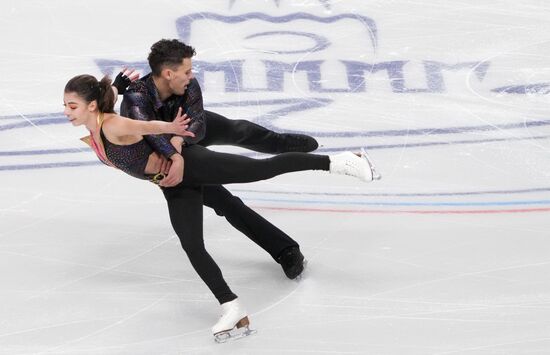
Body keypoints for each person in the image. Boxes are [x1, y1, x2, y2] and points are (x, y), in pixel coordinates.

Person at [64, 73, 379, 341]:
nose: (66, 111)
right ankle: (232, 306)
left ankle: (338, 162)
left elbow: (146, 127)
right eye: (66, 105)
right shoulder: (98, 122)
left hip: (188, 165)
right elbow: (108, 100)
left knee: (260, 170)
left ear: (91, 105)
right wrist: (116, 87)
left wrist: (171, 130)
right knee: (196, 239)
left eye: (72, 105)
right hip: (172, 182)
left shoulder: (112, 126)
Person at [119, 39, 319, 284]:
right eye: (187, 70)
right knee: (226, 203)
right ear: (169, 74)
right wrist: (174, 152)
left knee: (236, 130)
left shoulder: (188, 85)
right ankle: (286, 250)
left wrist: (180, 140)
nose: (191, 75)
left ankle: (281, 143)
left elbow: (199, 125)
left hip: (186, 133)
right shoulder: (136, 99)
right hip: (168, 157)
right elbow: (151, 137)